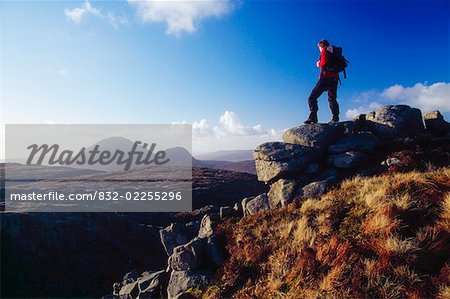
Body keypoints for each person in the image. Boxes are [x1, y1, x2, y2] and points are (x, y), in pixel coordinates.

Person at [304, 39, 340, 124]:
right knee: (332, 98)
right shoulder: (333, 52)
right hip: (335, 78)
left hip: (326, 77)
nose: (319, 49)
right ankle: (335, 118)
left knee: (312, 97)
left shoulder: (324, 50)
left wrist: (319, 63)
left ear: (321, 46)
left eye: (319, 47)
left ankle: (313, 117)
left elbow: (323, 63)